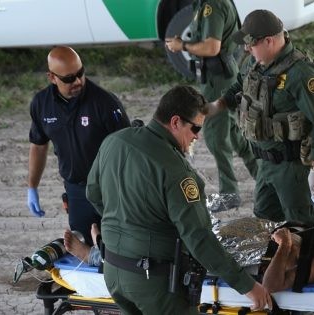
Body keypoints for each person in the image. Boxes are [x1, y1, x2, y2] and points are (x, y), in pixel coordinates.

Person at [86, 85, 272, 314]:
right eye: (195, 128)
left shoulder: (114, 142)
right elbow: (199, 238)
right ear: (175, 122)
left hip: (114, 271)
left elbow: (93, 194)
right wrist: (247, 285)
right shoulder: (177, 172)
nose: (197, 136)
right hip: (154, 282)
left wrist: (125, 224)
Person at [209, 10, 314, 226]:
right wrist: (218, 105)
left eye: (251, 43)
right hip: (265, 163)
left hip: (291, 167)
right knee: (264, 223)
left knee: (300, 228)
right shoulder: (254, 63)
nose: (246, 48)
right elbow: (240, 84)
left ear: (269, 41)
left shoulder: (301, 74)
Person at [27, 46, 130, 246]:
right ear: (52, 77)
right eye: (68, 79)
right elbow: (38, 146)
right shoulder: (41, 104)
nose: (77, 82)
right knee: (83, 249)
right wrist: (32, 186)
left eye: (80, 73)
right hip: (76, 192)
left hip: (110, 190)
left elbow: (128, 148)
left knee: (118, 248)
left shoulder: (105, 102)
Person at [165, 0, 258, 212]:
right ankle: (263, 179)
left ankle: (229, 194)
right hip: (218, 75)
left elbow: (212, 46)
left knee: (217, 137)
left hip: (218, 79)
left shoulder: (212, 5)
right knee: (234, 134)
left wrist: (183, 46)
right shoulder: (205, 4)